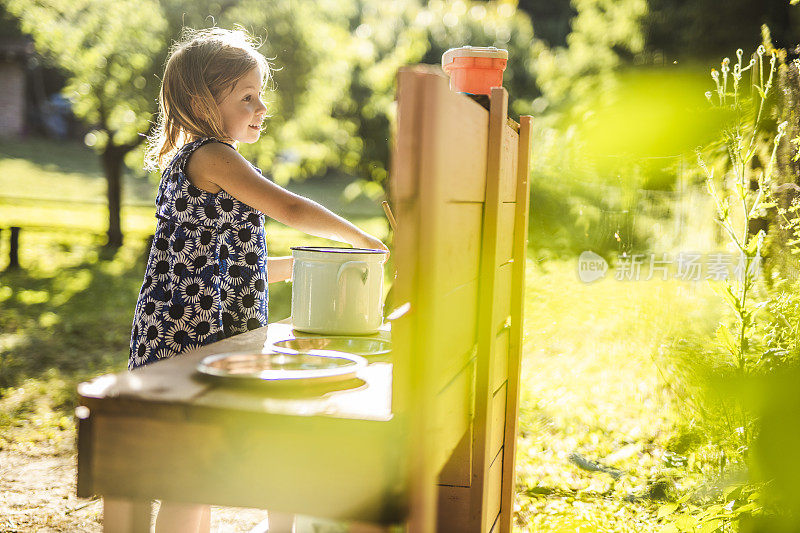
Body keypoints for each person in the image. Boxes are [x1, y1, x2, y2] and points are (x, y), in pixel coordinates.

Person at [123, 26, 387, 533]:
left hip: (201, 330)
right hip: (190, 335)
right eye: (247, 97)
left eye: (260, 95)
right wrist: (362, 240)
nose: (261, 108)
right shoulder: (211, 155)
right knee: (191, 475)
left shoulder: (203, 161)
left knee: (201, 472)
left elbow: (241, 269)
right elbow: (288, 206)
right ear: (203, 102)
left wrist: (314, 265)